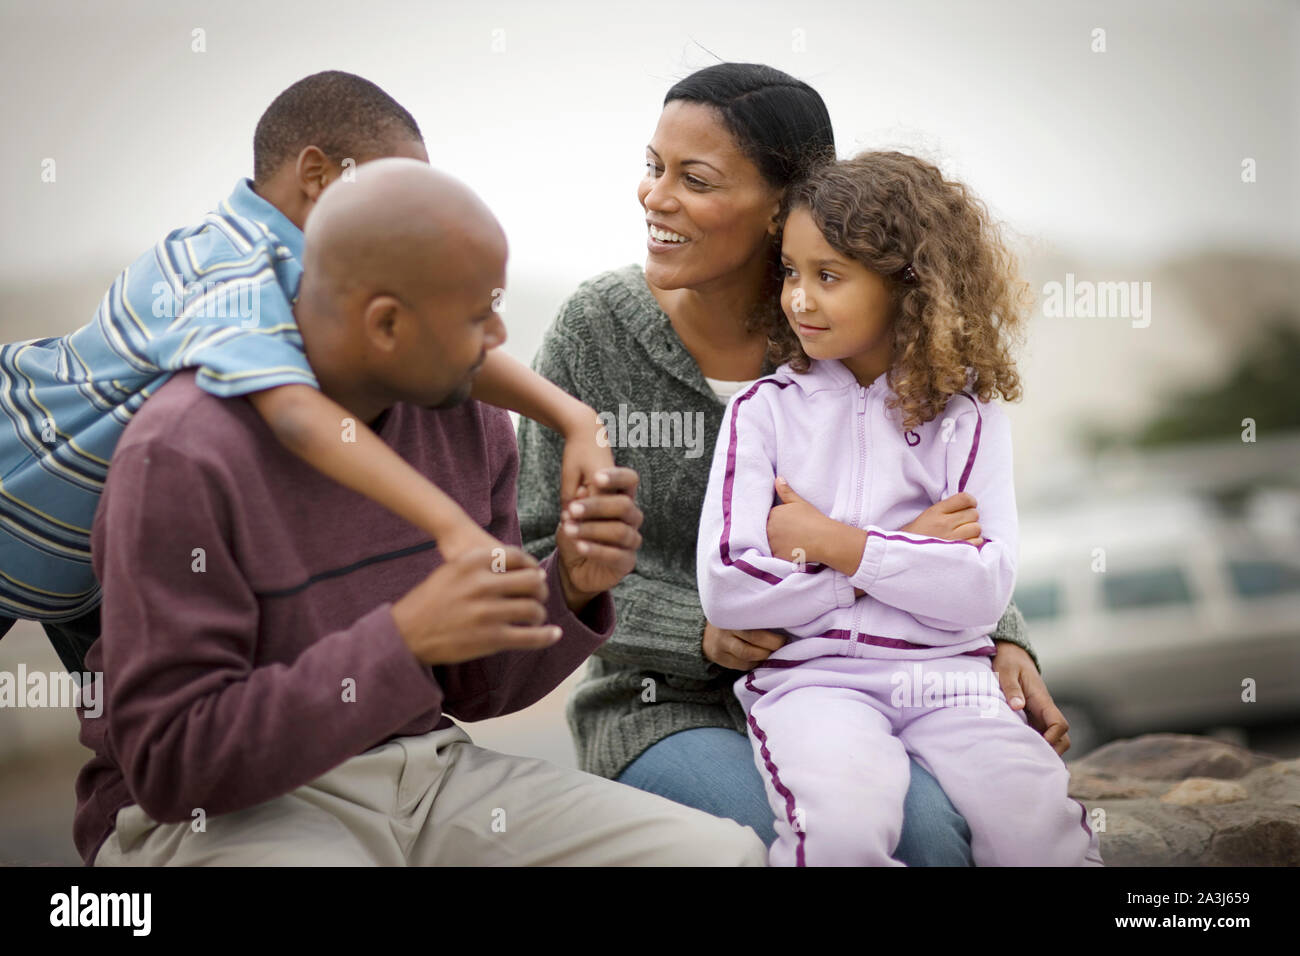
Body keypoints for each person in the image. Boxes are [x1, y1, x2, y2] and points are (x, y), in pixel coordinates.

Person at [76, 158, 766, 867]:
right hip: (221, 818)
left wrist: (569, 585)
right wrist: (401, 641)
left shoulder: (464, 419)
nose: (499, 338)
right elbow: (170, 767)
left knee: (723, 855)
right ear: (385, 325)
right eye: (477, 314)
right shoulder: (185, 453)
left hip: (427, 780)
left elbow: (478, 689)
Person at [518, 62, 1068, 864]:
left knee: (939, 836)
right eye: (653, 167)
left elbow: (949, 507)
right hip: (664, 707)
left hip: (859, 680)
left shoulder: (839, 329)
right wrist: (699, 630)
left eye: (694, 179)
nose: (655, 196)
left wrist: (1006, 639)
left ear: (784, 208)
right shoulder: (594, 335)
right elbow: (542, 558)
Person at [0, 70, 610, 675]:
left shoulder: (303, 274)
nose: (408, 215)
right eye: (388, 188)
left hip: (87, 562)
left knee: (161, 727)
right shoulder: (225, 264)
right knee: (154, 747)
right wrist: (447, 523)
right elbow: (293, 412)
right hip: (15, 502)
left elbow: (446, 342)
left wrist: (573, 419)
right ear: (318, 174)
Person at [697, 150, 1102, 866]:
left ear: (908, 285)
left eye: (829, 276)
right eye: (791, 271)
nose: (799, 298)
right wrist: (909, 548)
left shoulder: (968, 418)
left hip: (953, 683)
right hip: (813, 684)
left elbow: (979, 591)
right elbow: (730, 590)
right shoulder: (762, 414)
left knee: (1041, 834)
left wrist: (831, 542)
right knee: (844, 834)